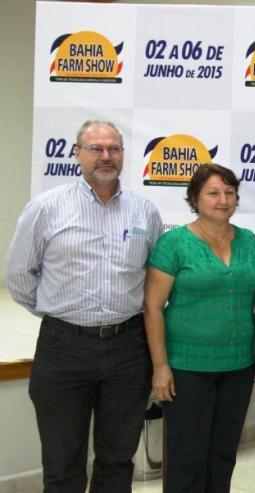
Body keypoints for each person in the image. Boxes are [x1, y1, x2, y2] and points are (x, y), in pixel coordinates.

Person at [4, 120, 162, 492]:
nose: (105, 156)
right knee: (62, 464)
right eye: (96, 149)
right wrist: (61, 316)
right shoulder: (46, 208)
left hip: (128, 350)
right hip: (64, 348)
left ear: (123, 155)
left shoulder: (145, 212)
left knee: (118, 460)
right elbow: (19, 276)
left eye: (113, 149)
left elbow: (154, 280)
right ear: (77, 154)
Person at [143, 164, 255, 492]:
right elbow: (152, 307)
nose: (223, 200)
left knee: (223, 455)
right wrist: (160, 367)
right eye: (213, 193)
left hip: (238, 367)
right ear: (195, 198)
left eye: (229, 192)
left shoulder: (250, 241)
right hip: (187, 369)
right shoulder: (174, 243)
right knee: (186, 459)